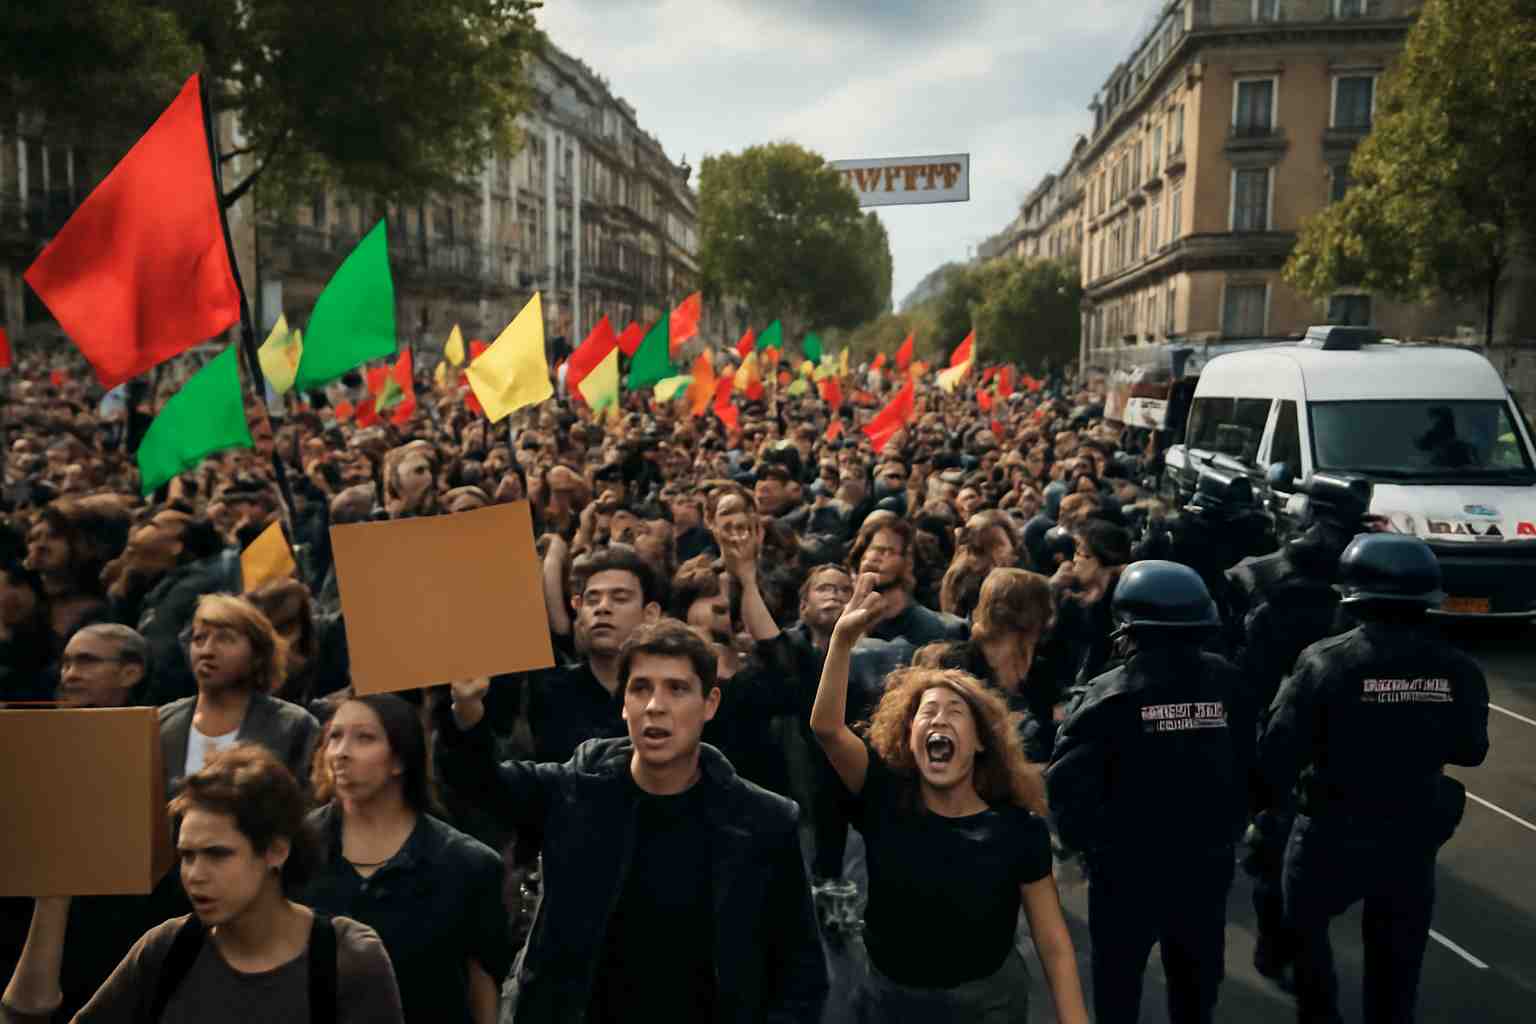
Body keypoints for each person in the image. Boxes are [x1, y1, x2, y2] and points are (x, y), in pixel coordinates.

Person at [435, 619, 828, 1022]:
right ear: (624, 703)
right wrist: (466, 714)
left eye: (677, 689)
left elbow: (801, 972)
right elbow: (479, 782)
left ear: (710, 704)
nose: (655, 705)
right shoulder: (574, 791)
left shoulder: (762, 822)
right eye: (641, 688)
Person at [811, 573, 1088, 1023]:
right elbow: (826, 728)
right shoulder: (883, 797)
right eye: (928, 712)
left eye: (955, 711)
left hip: (987, 1007)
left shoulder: (1018, 829)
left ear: (979, 742)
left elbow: (1054, 945)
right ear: (909, 737)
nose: (939, 718)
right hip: (891, 1003)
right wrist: (842, 640)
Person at [1259, 534, 1489, 1024]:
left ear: (1353, 595)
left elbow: (1278, 753)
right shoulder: (1460, 668)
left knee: (1305, 934)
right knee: (1397, 962)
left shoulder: (1323, 661)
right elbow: (1472, 752)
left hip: (1329, 831)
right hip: (1411, 833)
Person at [1, 744, 403, 1024]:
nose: (194, 874)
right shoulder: (169, 947)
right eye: (187, 856)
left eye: (217, 854)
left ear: (275, 851)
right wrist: (52, 901)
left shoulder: (347, 956)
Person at [1047, 560, 1255, 1024]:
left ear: (1127, 628)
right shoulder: (1230, 683)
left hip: (1125, 873)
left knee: (1118, 986)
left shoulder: (1106, 696)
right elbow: (1250, 765)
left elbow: (1065, 790)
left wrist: (1088, 848)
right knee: (1196, 989)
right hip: (1204, 867)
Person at [303, 693, 513, 1024]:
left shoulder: (466, 864)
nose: (341, 752)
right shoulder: (295, 849)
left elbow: (482, 983)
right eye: (335, 737)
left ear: (400, 759)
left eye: (364, 738)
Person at [160, 595, 321, 796]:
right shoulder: (161, 723)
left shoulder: (294, 726)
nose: (207, 650)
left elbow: (308, 805)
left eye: (225, 639)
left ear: (257, 655)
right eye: (199, 638)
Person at [845, 517, 967, 646]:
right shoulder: (843, 617)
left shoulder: (927, 627)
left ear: (908, 562)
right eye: (869, 551)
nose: (873, 558)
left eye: (887, 552)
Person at [56, 624, 149, 708]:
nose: (70, 675)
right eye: (66, 664)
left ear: (130, 674)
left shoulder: (150, 721)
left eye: (87, 662)